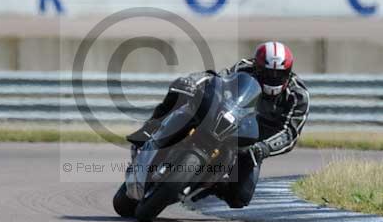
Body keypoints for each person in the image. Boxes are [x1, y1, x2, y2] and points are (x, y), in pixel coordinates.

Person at [126, 41, 310, 208]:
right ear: (257, 66)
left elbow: (289, 134)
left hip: (254, 141)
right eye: (267, 72)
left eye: (278, 75)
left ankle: (209, 185)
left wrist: (263, 148)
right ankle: (150, 129)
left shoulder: (298, 96)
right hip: (231, 117)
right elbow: (220, 81)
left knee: (240, 198)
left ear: (289, 72)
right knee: (182, 98)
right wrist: (194, 82)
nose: (272, 78)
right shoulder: (245, 67)